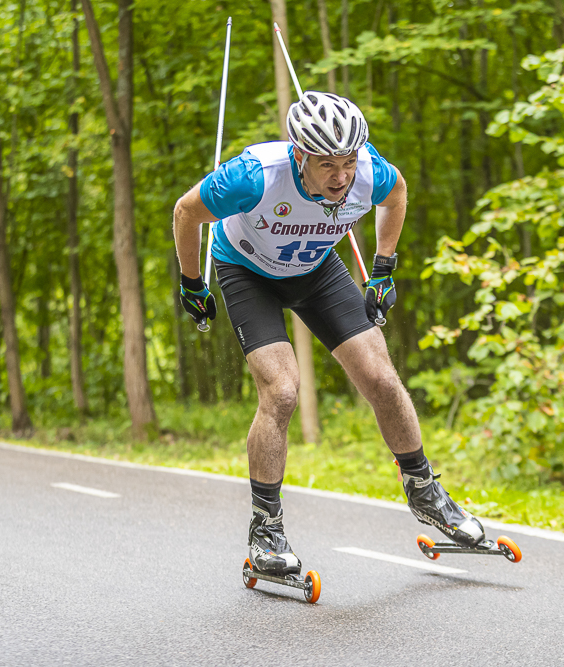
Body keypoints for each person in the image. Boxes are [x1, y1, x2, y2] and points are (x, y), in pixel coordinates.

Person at [173, 92, 484, 577]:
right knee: (282, 391)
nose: (342, 177)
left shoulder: (368, 171)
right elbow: (185, 213)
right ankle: (266, 528)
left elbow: (397, 195)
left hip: (316, 270)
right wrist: (192, 282)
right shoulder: (251, 178)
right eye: (326, 166)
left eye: (348, 163)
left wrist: (383, 269)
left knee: (380, 377)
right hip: (246, 270)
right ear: (299, 156)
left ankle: (425, 492)